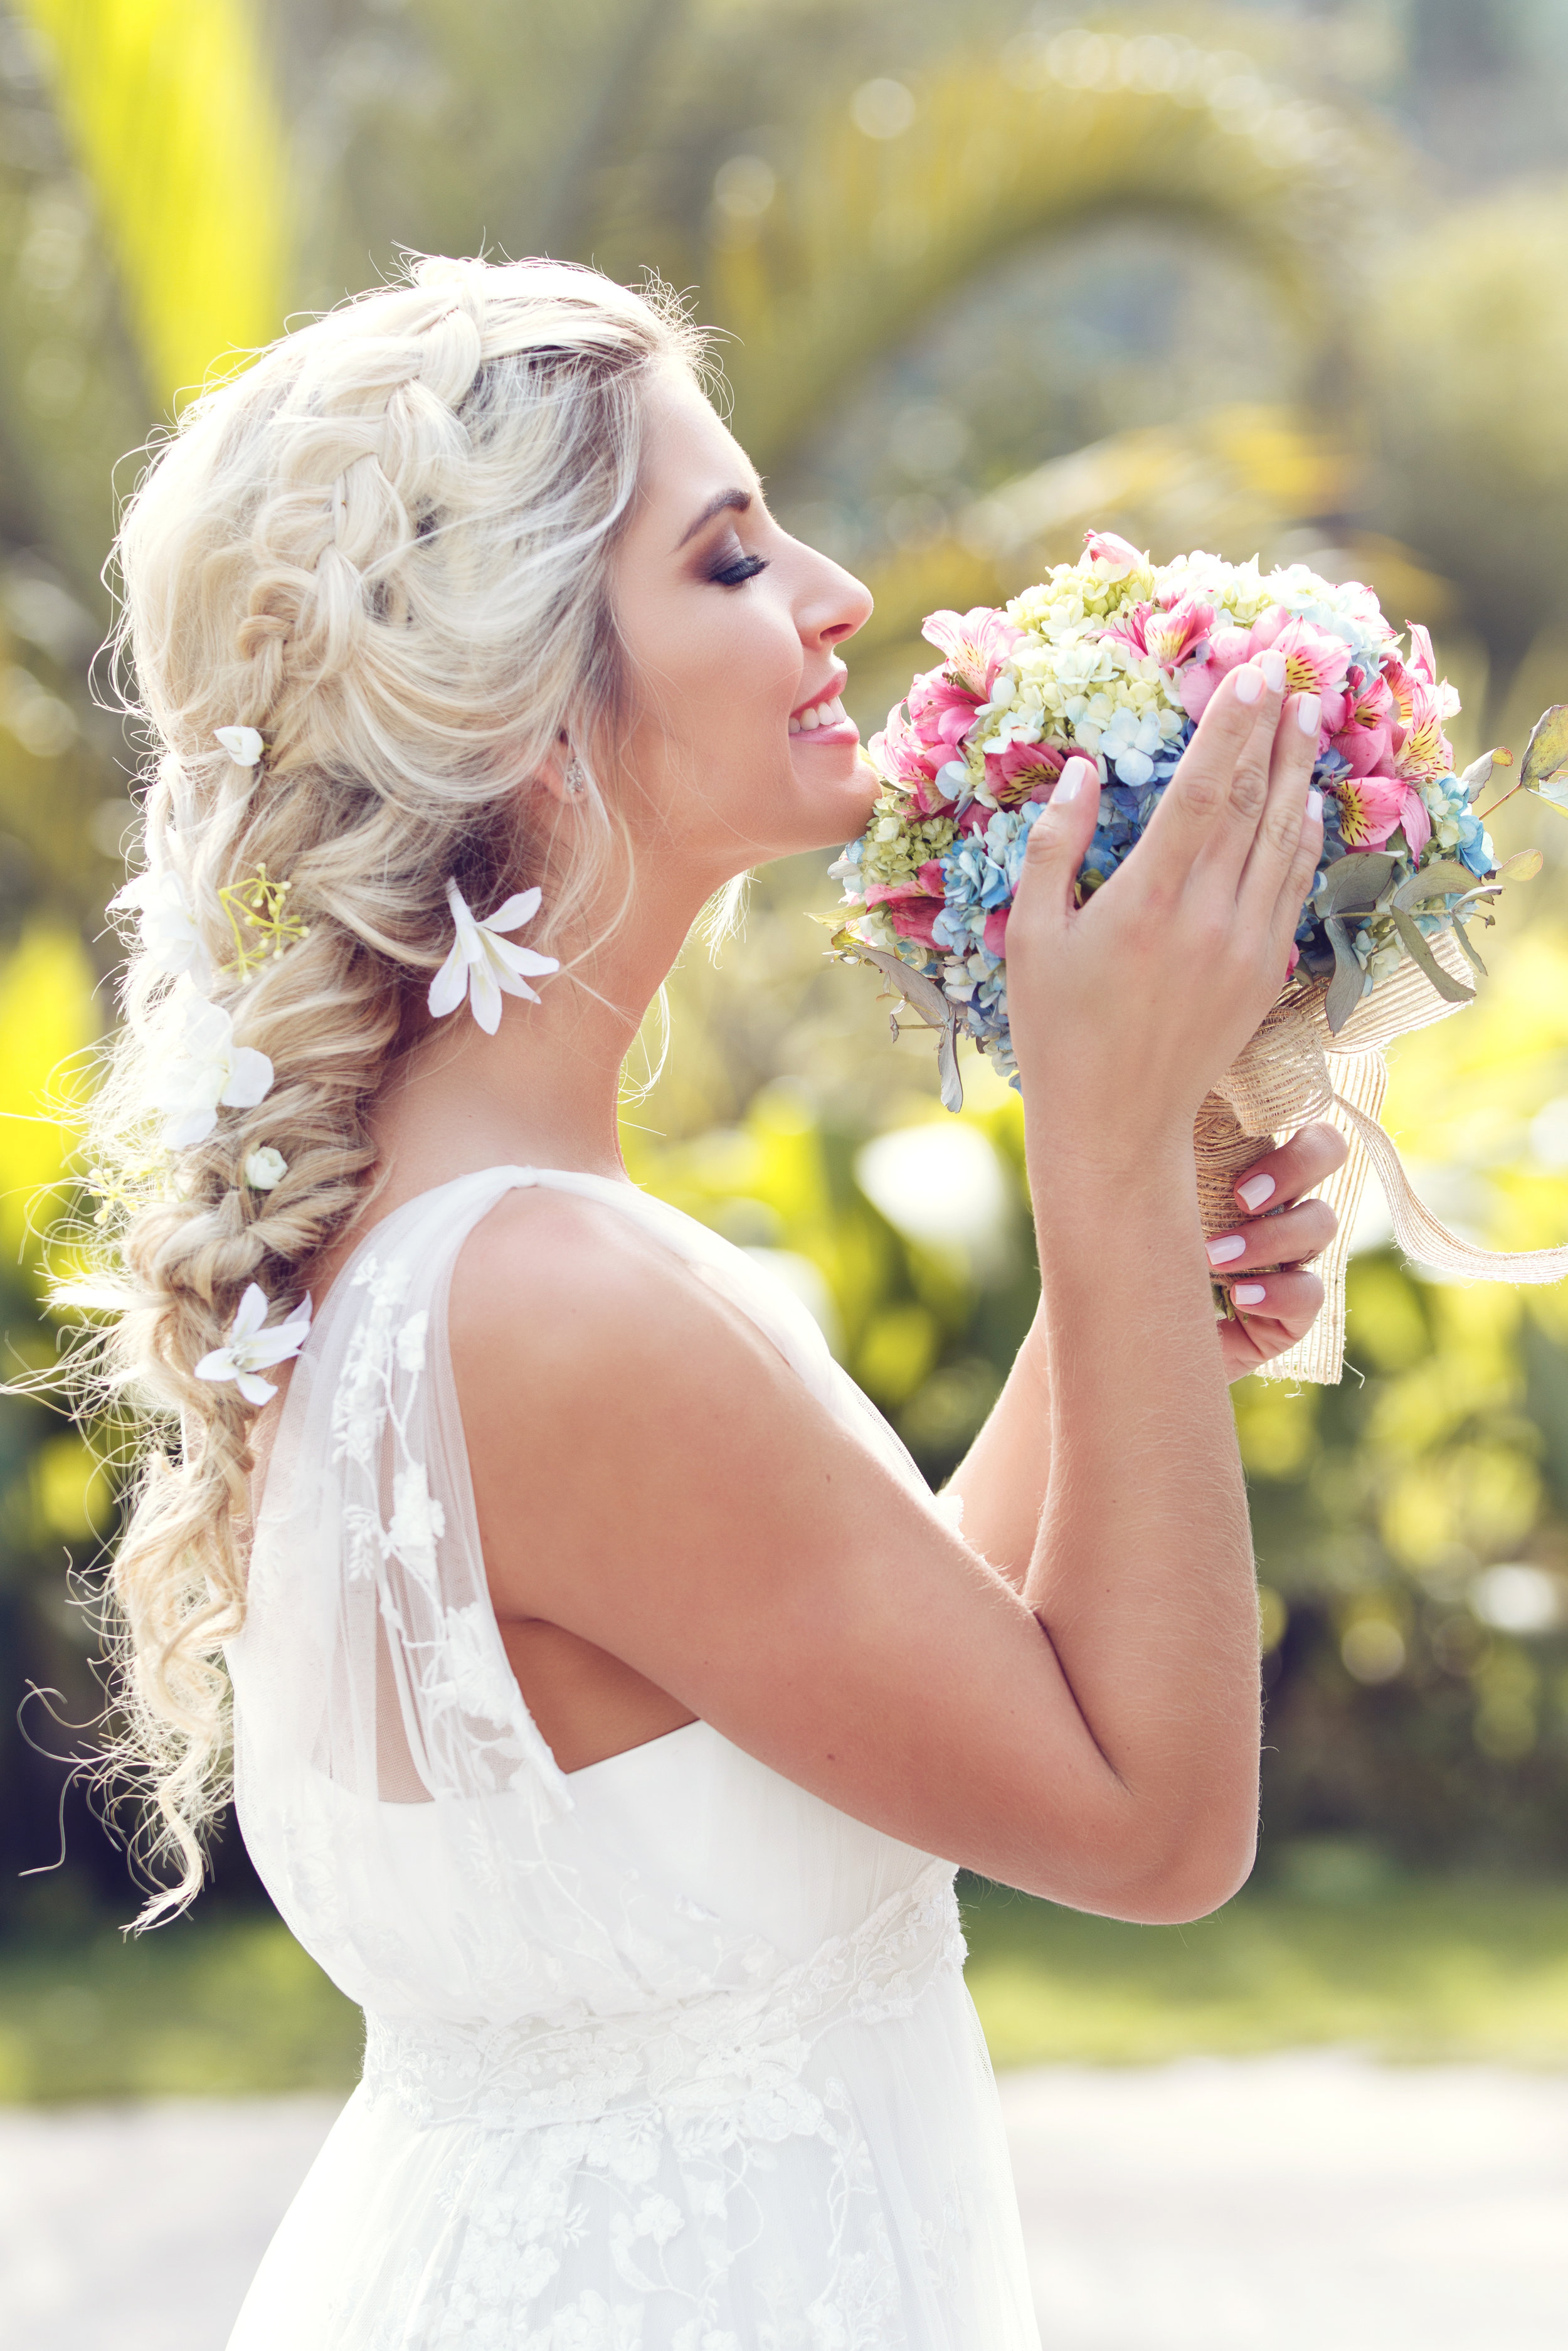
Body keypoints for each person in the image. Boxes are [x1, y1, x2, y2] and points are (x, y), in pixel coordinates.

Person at [82, 254, 1345, 2348]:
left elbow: (867, 1686)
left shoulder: (488, 1241)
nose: (836, 594)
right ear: (531, 717)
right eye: (732, 556)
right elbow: (1151, 1826)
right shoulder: (560, 1299)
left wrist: (1125, 1277)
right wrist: (1100, 1158)